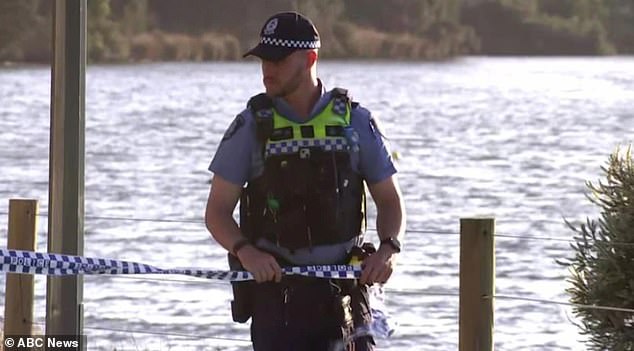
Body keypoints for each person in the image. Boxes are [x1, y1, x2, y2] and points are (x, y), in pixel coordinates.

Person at [204, 11, 405, 351]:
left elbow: (390, 201)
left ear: (310, 58)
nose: (268, 69)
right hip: (279, 302)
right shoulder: (251, 127)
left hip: (346, 296)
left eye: (278, 59)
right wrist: (246, 252)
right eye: (263, 59)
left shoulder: (355, 123)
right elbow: (217, 213)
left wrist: (389, 249)